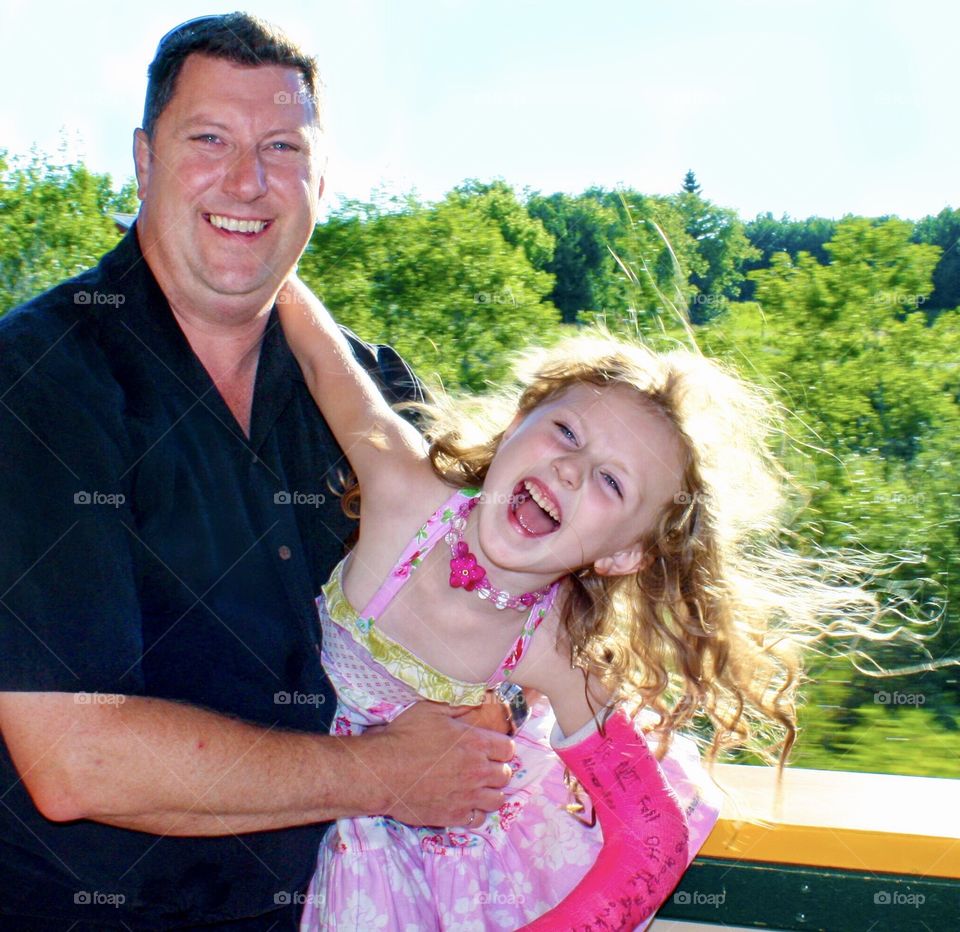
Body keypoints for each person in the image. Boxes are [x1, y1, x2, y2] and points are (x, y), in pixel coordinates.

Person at [0, 15, 516, 930]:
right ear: (143, 159)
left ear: (322, 177)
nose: (247, 179)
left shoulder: (376, 399)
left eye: (282, 146)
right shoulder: (38, 384)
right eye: (209, 140)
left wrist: (506, 707)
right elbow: (76, 757)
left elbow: (491, 601)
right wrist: (390, 774)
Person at [277, 273, 879, 929]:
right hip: (344, 801)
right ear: (512, 429)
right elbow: (317, 348)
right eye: (566, 432)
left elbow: (653, 840)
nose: (572, 468)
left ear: (621, 554)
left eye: (612, 482)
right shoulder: (402, 489)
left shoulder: (552, 643)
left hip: (443, 858)